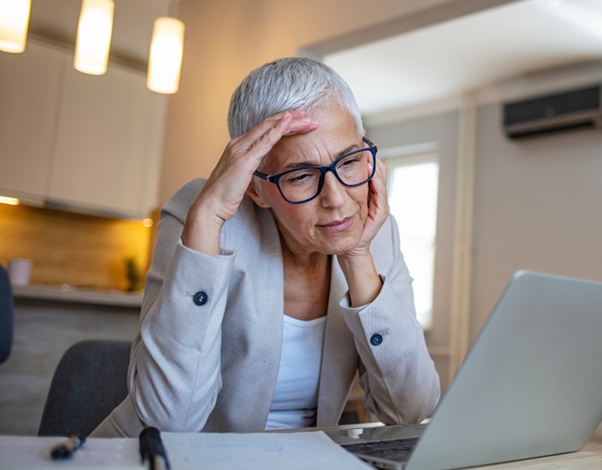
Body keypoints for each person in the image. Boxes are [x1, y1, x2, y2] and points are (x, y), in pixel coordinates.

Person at [91, 58, 440, 437]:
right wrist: (206, 220)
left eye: (350, 160)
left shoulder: (376, 229)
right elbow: (167, 421)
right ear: (255, 187)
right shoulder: (207, 216)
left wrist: (357, 256)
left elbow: (411, 409)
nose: (337, 199)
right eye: (302, 176)